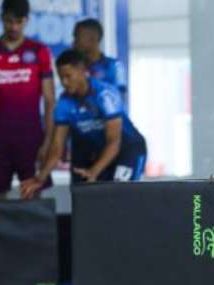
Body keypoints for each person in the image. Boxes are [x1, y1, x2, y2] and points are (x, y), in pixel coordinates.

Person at [20, 50, 147, 198]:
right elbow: (56, 148)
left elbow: (114, 142)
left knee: (122, 197)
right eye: (61, 78)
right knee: (96, 201)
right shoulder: (64, 104)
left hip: (128, 149)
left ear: (82, 71)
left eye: (68, 76)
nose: (64, 82)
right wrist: (39, 178)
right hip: (100, 153)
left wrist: (94, 170)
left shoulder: (105, 94)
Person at [0, 0, 56, 199]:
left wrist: (48, 143)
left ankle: (34, 234)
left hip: (32, 141)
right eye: (9, 21)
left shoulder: (40, 52)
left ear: (27, 20)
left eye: (19, 21)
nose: (14, 27)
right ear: (1, 18)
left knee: (32, 203)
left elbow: (49, 100)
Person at [73, 18, 127, 100]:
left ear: (93, 38)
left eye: (78, 37)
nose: (74, 42)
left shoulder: (115, 67)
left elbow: (120, 99)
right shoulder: (75, 68)